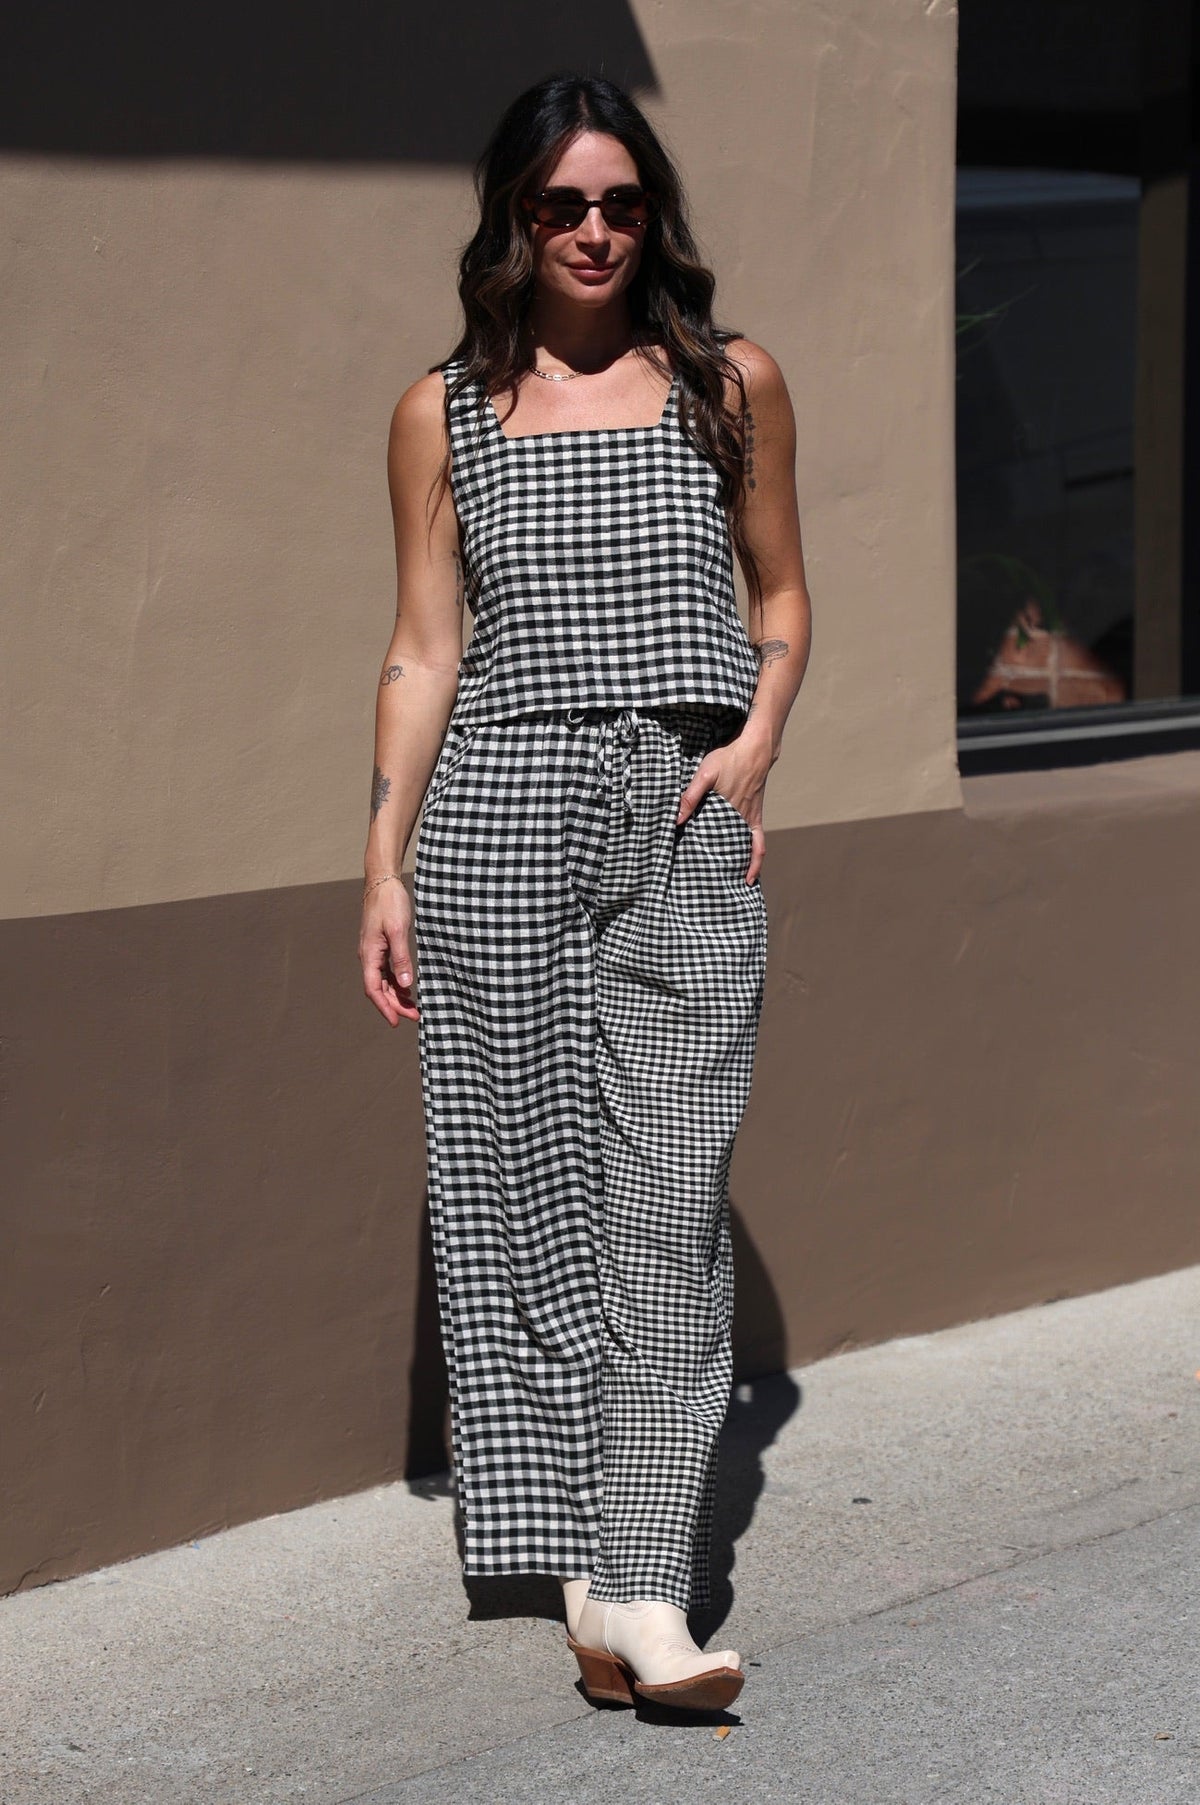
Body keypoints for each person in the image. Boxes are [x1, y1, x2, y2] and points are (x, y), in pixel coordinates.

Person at [359, 72, 811, 1712]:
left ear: (653, 211)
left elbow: (782, 595)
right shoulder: (444, 412)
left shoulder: (728, 382)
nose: (597, 229)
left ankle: (647, 1573)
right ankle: (598, 1584)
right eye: (563, 205)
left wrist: (758, 736)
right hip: (496, 816)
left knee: (671, 1203)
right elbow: (423, 650)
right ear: (514, 220)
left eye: (621, 201)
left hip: (683, 809)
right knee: (530, 1194)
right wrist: (385, 861)